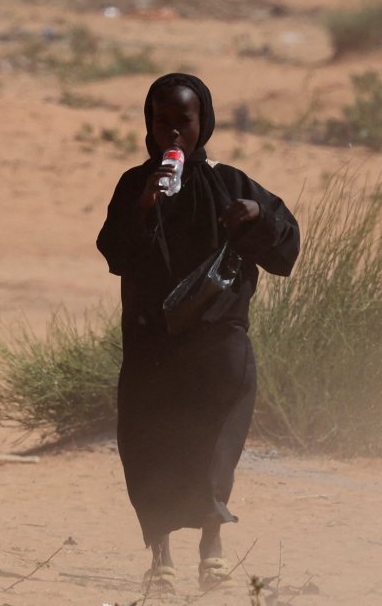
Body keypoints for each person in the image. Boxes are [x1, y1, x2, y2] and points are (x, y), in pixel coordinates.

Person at [96, 73, 300, 593]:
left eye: (182, 122)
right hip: (152, 341)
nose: (172, 134)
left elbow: (284, 249)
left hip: (217, 335)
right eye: (161, 122)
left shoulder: (230, 183)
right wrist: (145, 204)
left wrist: (256, 217)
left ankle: (212, 546)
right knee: (150, 444)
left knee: (214, 437)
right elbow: (114, 252)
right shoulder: (133, 184)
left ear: (201, 122)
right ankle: (160, 557)